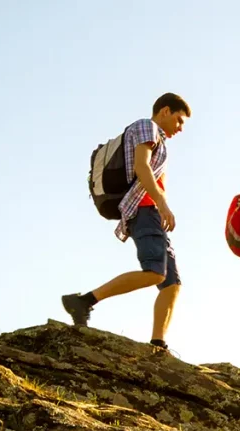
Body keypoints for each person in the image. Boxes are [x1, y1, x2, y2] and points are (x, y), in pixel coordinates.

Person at [61, 92, 191, 351]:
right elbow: (142, 168)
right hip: (143, 210)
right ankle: (85, 301)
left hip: (151, 211)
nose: (180, 128)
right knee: (155, 272)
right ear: (164, 111)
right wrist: (163, 205)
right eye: (179, 120)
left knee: (172, 283)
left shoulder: (160, 140)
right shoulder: (148, 126)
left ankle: (157, 344)